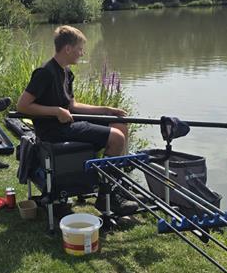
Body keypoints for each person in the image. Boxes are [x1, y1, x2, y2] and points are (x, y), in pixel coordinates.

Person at [16, 25, 137, 214]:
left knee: (119, 123)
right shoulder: (45, 73)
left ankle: (116, 185)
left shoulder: (66, 72)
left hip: (67, 124)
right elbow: (22, 106)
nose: (82, 53)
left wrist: (106, 110)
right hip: (54, 130)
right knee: (117, 138)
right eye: (80, 49)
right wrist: (56, 111)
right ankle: (106, 196)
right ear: (68, 49)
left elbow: (72, 106)